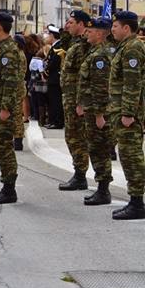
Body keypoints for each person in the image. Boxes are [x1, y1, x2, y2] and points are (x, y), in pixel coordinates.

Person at [107, 10, 145, 220]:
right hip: (121, 110)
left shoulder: (132, 49)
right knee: (127, 155)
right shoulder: (126, 47)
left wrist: (128, 112)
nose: (112, 29)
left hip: (128, 113)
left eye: (115, 26)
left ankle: (138, 203)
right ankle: (135, 200)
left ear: (126, 28)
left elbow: (133, 83)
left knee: (132, 156)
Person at [0, 12, 24, 204]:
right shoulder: (0, 48)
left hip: (2, 107)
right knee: (0, 147)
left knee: (3, 147)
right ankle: (8, 187)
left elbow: (11, 82)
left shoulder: (8, 51)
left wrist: (6, 109)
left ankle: (9, 189)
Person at [75, 16, 114, 206]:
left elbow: (100, 87)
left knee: (99, 149)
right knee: (96, 148)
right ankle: (102, 188)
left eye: (90, 31)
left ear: (99, 33)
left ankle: (103, 190)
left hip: (98, 111)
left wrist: (99, 114)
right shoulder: (96, 52)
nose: (86, 33)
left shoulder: (100, 56)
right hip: (91, 109)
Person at [58, 11, 93, 191]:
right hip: (70, 97)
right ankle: (79, 173)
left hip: (77, 99)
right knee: (71, 136)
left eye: (71, 22)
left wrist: (81, 101)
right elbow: (62, 45)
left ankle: (80, 175)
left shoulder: (87, 45)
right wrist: (65, 31)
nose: (67, 25)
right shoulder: (74, 42)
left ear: (81, 24)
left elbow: (84, 76)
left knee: (76, 137)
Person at [45, 25, 65, 128]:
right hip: (52, 78)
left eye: (48, 34)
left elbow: (54, 62)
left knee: (56, 101)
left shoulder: (58, 47)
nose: (46, 37)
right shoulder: (54, 46)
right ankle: (52, 120)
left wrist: (47, 66)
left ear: (52, 35)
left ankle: (57, 122)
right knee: (52, 101)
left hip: (55, 78)